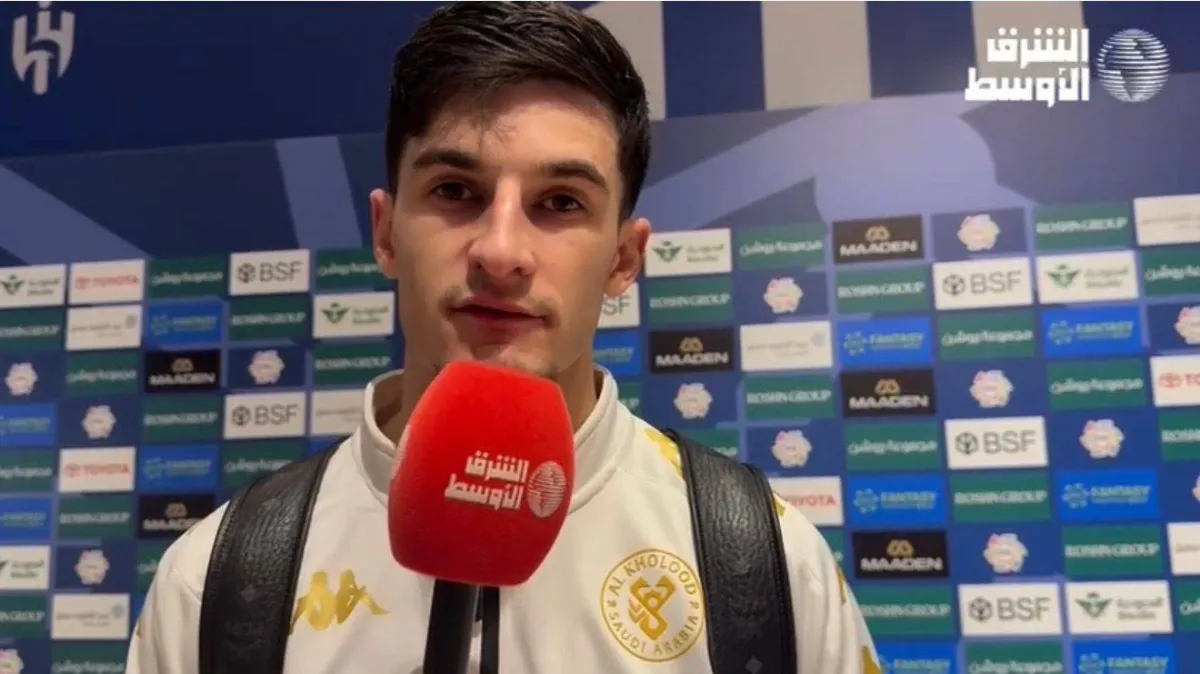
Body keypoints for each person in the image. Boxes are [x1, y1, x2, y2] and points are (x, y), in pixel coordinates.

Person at [127, 3, 880, 673]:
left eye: (561, 202)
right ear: (386, 234)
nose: (501, 250)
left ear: (623, 260)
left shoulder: (770, 567)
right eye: (456, 191)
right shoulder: (214, 579)